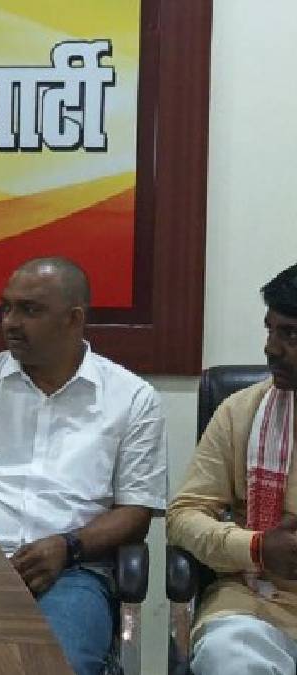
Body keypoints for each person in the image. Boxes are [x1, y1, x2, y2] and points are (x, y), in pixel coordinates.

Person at [0, 257, 166, 675]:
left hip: (72, 572)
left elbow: (136, 513)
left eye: (29, 310)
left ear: (74, 319)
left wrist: (68, 547)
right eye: (6, 307)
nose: (10, 323)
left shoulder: (133, 398)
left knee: (51, 665)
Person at [168, 262, 297, 674]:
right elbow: (183, 517)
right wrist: (256, 547)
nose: (271, 348)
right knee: (228, 656)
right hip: (259, 605)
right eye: (270, 330)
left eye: (291, 335)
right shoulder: (241, 411)